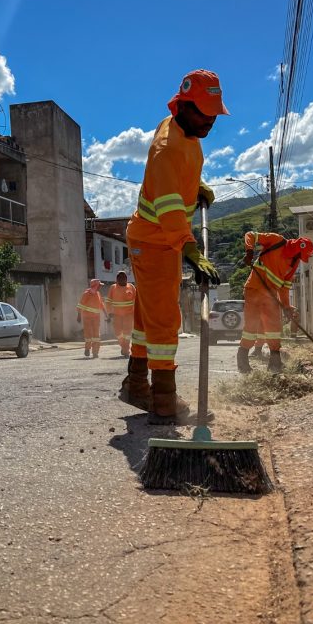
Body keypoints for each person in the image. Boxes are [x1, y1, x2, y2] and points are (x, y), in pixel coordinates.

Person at [118, 69, 226, 422]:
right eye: (204, 113)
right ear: (183, 105)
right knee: (164, 316)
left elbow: (180, 177)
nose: (210, 121)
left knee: (146, 314)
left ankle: (136, 384)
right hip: (155, 240)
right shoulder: (166, 148)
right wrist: (190, 249)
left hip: (159, 238)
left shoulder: (184, 130)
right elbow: (166, 207)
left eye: (214, 113)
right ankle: (163, 399)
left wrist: (197, 186)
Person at [237, 232, 313, 374]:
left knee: (274, 327)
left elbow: (285, 285)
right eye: (301, 255)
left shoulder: (294, 261)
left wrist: (286, 306)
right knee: (251, 326)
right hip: (254, 289)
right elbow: (250, 235)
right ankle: (242, 358)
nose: (300, 259)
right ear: (298, 249)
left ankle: (275, 361)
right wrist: (249, 251)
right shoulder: (276, 240)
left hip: (270, 295)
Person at [106, 271, 136, 358]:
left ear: (126, 278)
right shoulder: (113, 287)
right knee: (118, 332)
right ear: (117, 279)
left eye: (124, 277)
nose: (122, 279)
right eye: (120, 277)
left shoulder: (131, 287)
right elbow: (108, 301)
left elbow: (137, 300)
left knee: (127, 333)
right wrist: (110, 312)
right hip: (116, 315)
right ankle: (124, 347)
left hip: (129, 315)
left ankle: (126, 350)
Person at [76, 279, 109, 358]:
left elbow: (101, 305)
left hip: (96, 318)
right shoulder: (86, 294)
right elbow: (81, 305)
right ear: (95, 285)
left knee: (96, 336)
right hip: (87, 317)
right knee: (88, 334)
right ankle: (87, 348)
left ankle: (95, 352)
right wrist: (79, 316)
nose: (100, 287)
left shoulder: (98, 294)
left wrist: (106, 315)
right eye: (99, 285)